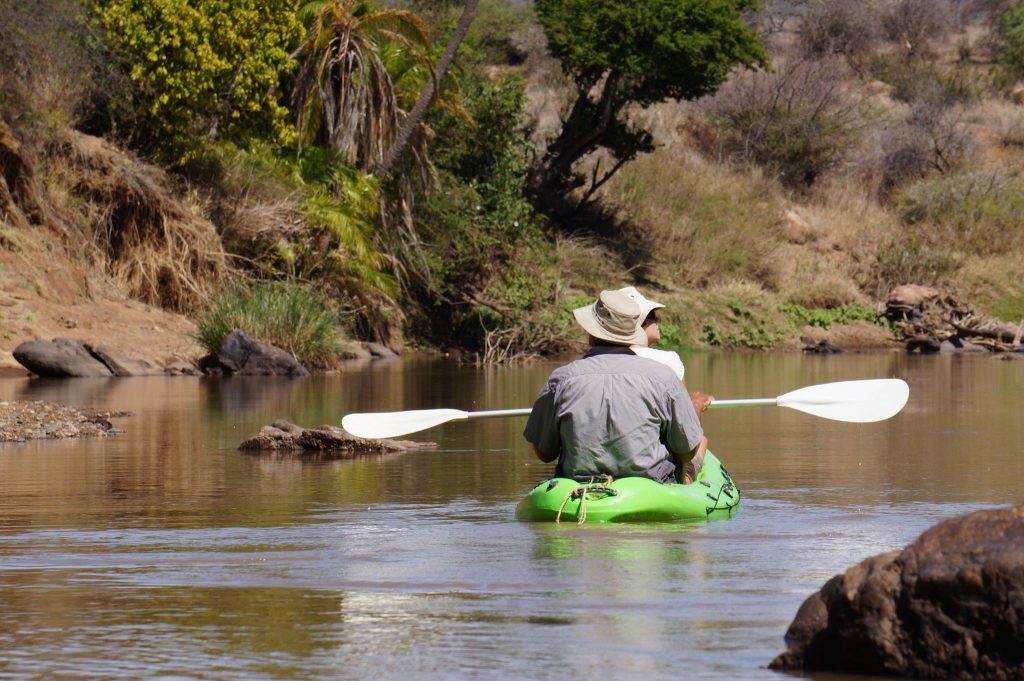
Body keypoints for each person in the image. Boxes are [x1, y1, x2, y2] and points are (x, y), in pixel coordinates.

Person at [523, 289, 710, 485]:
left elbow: (544, 453)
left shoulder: (561, 379)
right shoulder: (664, 377)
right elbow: (686, 451)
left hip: (578, 489)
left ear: (591, 333)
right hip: (651, 489)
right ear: (633, 333)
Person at [620, 286, 713, 482]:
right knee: (701, 440)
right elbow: (683, 428)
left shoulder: (594, 362)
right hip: (655, 463)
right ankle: (685, 478)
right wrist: (695, 406)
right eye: (653, 315)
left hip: (613, 454)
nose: (658, 320)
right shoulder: (669, 360)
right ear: (640, 323)